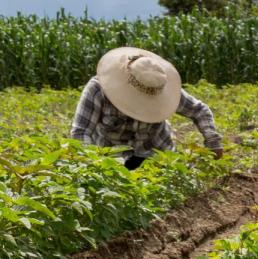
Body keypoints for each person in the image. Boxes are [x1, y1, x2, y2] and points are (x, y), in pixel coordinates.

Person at [71, 47, 223, 170]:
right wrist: (94, 165)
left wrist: (212, 140)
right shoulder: (99, 89)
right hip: (114, 161)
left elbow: (199, 110)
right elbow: (81, 132)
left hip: (158, 154)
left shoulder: (159, 86)